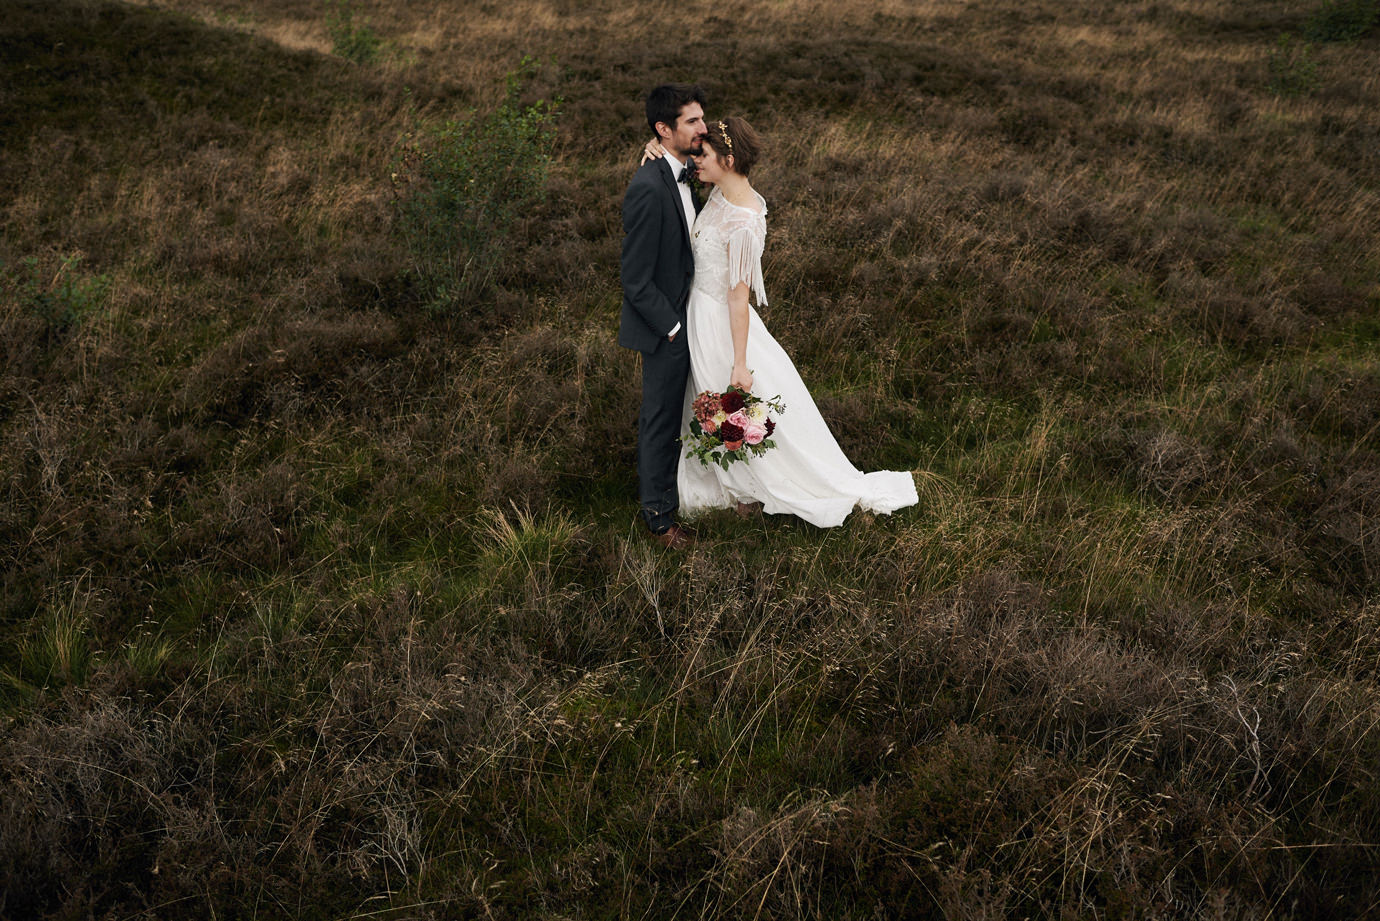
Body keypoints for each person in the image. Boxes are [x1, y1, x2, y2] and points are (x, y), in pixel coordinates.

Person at [644, 118, 919, 527]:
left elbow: (739, 298)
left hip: (720, 324)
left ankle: (748, 489)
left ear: (729, 159)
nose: (694, 160)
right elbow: (675, 168)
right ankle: (729, 483)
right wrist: (656, 147)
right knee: (703, 401)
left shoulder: (744, 219)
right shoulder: (718, 191)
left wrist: (739, 363)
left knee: (724, 403)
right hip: (698, 312)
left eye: (702, 155)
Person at [620, 84, 710, 549]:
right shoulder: (648, 187)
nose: (703, 127)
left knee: (703, 406)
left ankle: (718, 488)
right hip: (668, 328)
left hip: (702, 317)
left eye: (702, 118)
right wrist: (672, 328)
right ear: (663, 129)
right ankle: (658, 518)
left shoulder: (690, 168)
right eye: (692, 121)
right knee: (660, 417)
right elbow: (634, 279)